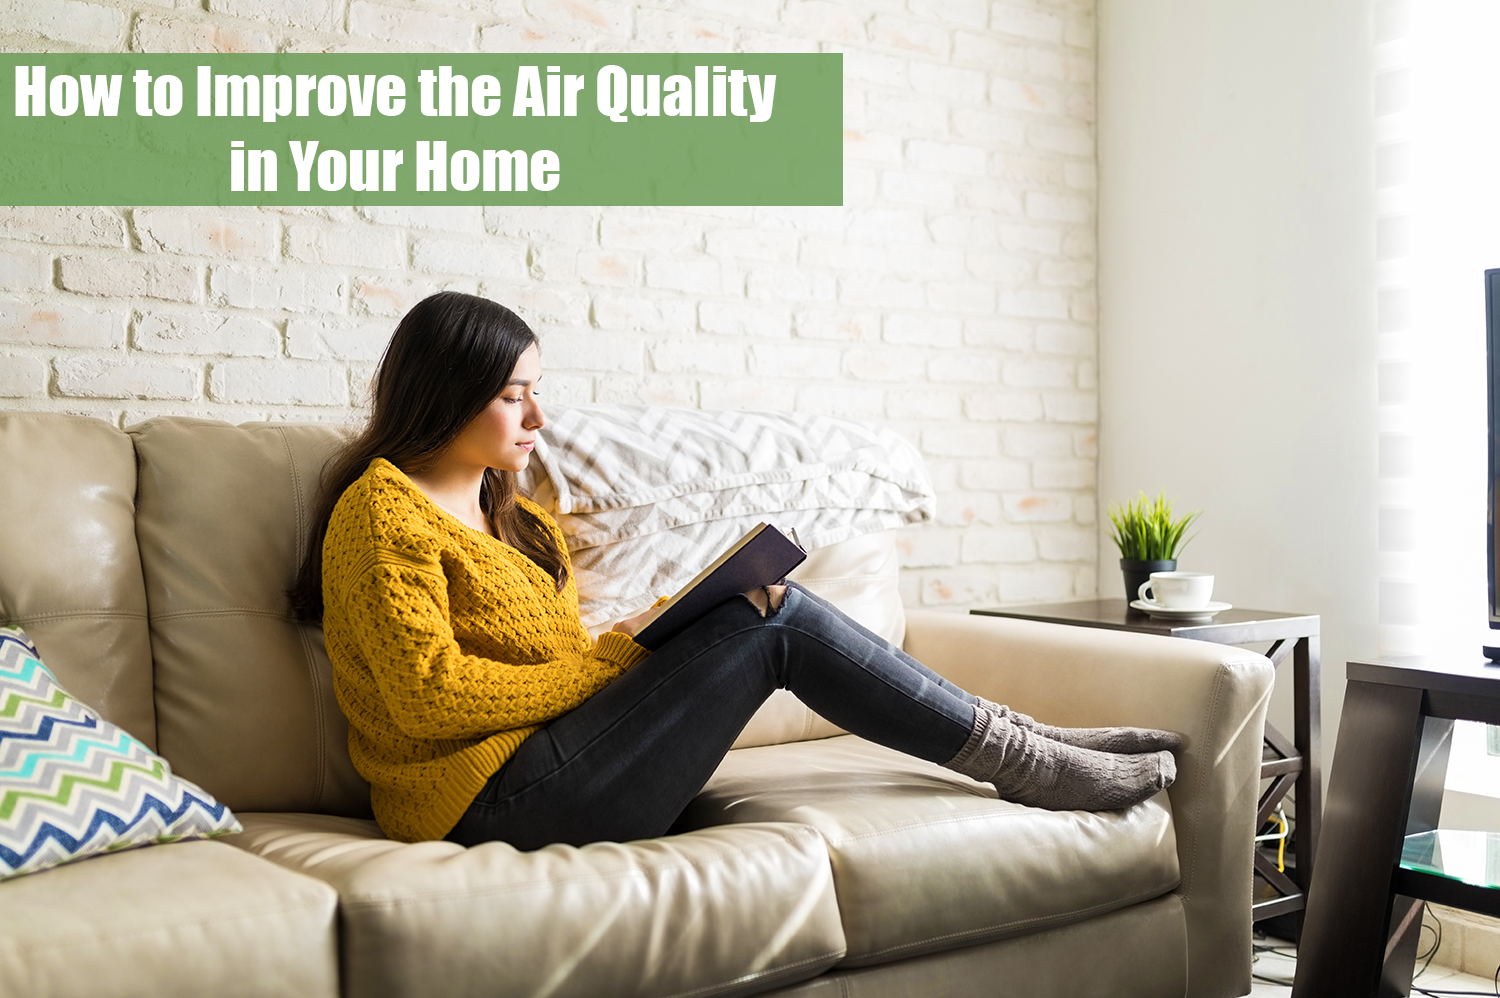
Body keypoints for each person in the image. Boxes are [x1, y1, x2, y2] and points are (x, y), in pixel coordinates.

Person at [289, 291, 1180, 850]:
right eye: (515, 395)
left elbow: (555, 666)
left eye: (536, 391)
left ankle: (1031, 744)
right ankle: (1024, 755)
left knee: (757, 599)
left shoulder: (520, 524)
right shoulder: (382, 515)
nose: (539, 416)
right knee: (778, 620)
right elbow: (429, 697)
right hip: (478, 801)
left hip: (557, 763)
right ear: (445, 395)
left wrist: (653, 636)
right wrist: (612, 661)